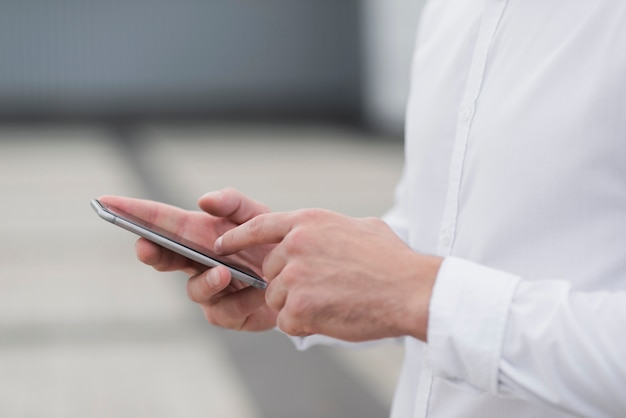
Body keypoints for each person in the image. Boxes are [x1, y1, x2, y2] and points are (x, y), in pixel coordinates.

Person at [101, 1, 626, 417]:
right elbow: (442, 239)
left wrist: (417, 293)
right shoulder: (451, 12)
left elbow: (425, 285)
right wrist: (293, 273)